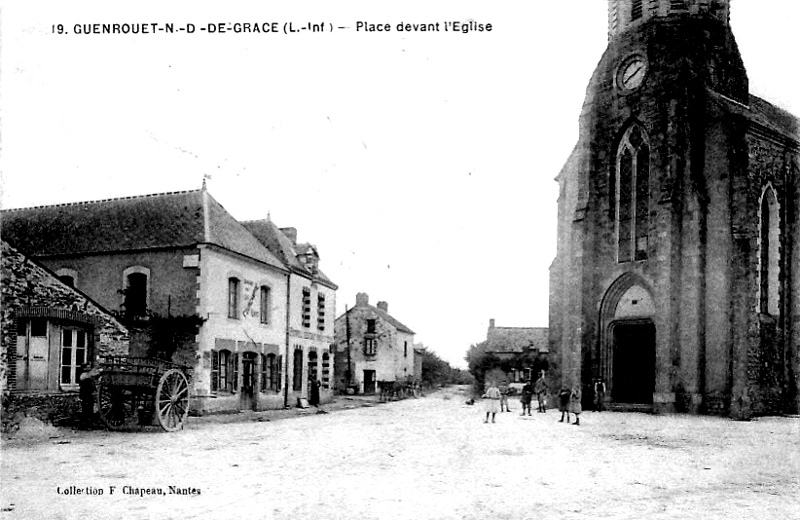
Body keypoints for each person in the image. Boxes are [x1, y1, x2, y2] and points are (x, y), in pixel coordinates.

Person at [78, 361, 101, 429]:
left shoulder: (88, 375)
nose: (89, 368)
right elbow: (89, 376)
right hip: (85, 395)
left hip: (88, 395)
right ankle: (84, 425)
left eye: (89, 367)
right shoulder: (83, 375)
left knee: (89, 409)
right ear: (84, 368)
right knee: (85, 410)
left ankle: (87, 424)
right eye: (88, 367)